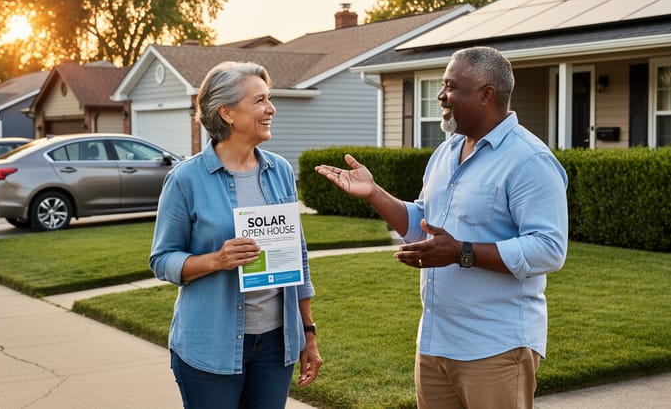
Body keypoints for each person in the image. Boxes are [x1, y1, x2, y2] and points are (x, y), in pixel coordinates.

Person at [315, 46, 568, 409]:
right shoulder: (447, 152)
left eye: (451, 86)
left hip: (495, 347)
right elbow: (425, 225)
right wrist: (373, 193)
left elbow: (548, 248)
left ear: (486, 95)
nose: (441, 95)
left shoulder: (529, 160)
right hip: (435, 344)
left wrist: (462, 252)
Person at [150, 61, 322, 409]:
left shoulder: (281, 171)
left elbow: (297, 259)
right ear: (226, 112)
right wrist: (217, 260)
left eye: (269, 98)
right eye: (259, 100)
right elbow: (162, 260)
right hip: (210, 345)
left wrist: (308, 334)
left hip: (276, 345)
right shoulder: (186, 179)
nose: (270, 108)